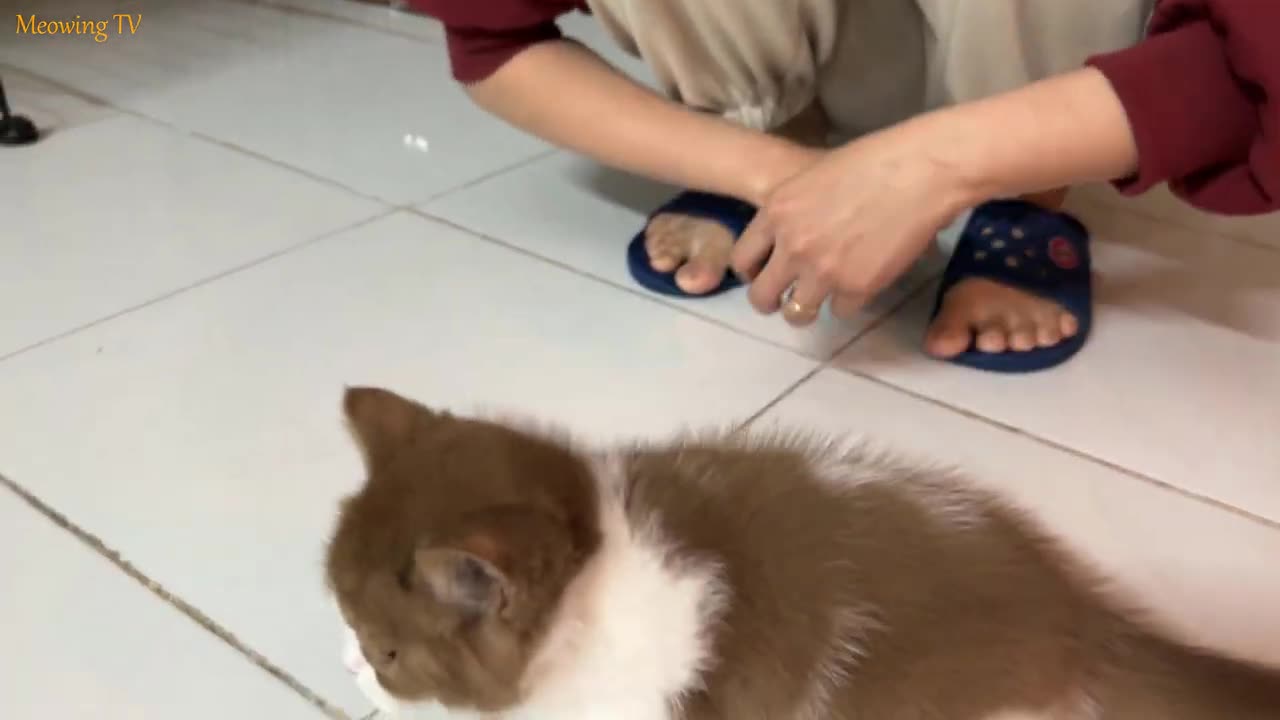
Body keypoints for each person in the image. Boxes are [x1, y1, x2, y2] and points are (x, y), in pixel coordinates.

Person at [410, 0, 1278, 372]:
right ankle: (758, 129)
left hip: (1034, 68)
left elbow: (1255, 61)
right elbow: (490, 42)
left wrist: (949, 164)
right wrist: (778, 173)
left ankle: (1027, 185)